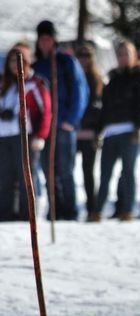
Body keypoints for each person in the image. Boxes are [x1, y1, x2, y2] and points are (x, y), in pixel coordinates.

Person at [32, 19, 89, 221]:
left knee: (65, 170)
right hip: (45, 127)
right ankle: (55, 209)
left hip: (63, 125)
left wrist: (70, 120)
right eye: (42, 39)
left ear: (54, 39)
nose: (45, 42)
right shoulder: (37, 66)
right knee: (48, 172)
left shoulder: (66, 62)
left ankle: (70, 209)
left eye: (48, 38)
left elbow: (80, 92)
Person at [94, 39, 140, 222]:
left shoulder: (139, 76)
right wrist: (98, 131)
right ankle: (97, 210)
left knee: (128, 173)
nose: (123, 57)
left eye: (126, 53)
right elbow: (105, 107)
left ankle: (127, 210)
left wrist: (138, 128)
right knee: (105, 174)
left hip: (129, 131)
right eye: (120, 54)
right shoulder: (112, 79)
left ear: (133, 55)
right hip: (110, 131)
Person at [0, 42, 51, 221]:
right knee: (5, 177)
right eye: (12, 61)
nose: (15, 64)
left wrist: (40, 135)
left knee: (25, 177)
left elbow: (46, 111)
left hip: (24, 136)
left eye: (18, 60)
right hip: (4, 136)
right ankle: (5, 213)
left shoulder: (34, 83)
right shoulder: (4, 85)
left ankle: (26, 214)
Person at [74, 41, 103, 222]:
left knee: (88, 172)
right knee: (66, 171)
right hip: (72, 129)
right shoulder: (72, 77)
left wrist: (95, 131)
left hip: (90, 132)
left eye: (87, 56)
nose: (84, 59)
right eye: (81, 55)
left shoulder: (97, 80)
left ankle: (92, 209)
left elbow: (101, 109)